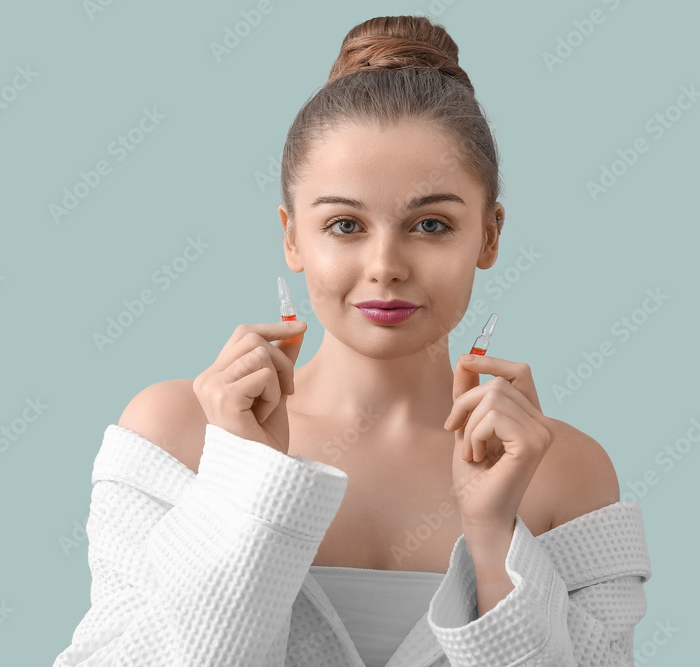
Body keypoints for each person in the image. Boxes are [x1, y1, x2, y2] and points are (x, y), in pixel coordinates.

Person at [53, 15, 652, 667]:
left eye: (430, 224)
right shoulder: (177, 434)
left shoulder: (564, 471)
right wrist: (245, 486)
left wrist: (492, 541)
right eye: (344, 224)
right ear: (291, 237)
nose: (385, 265)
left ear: (489, 235)